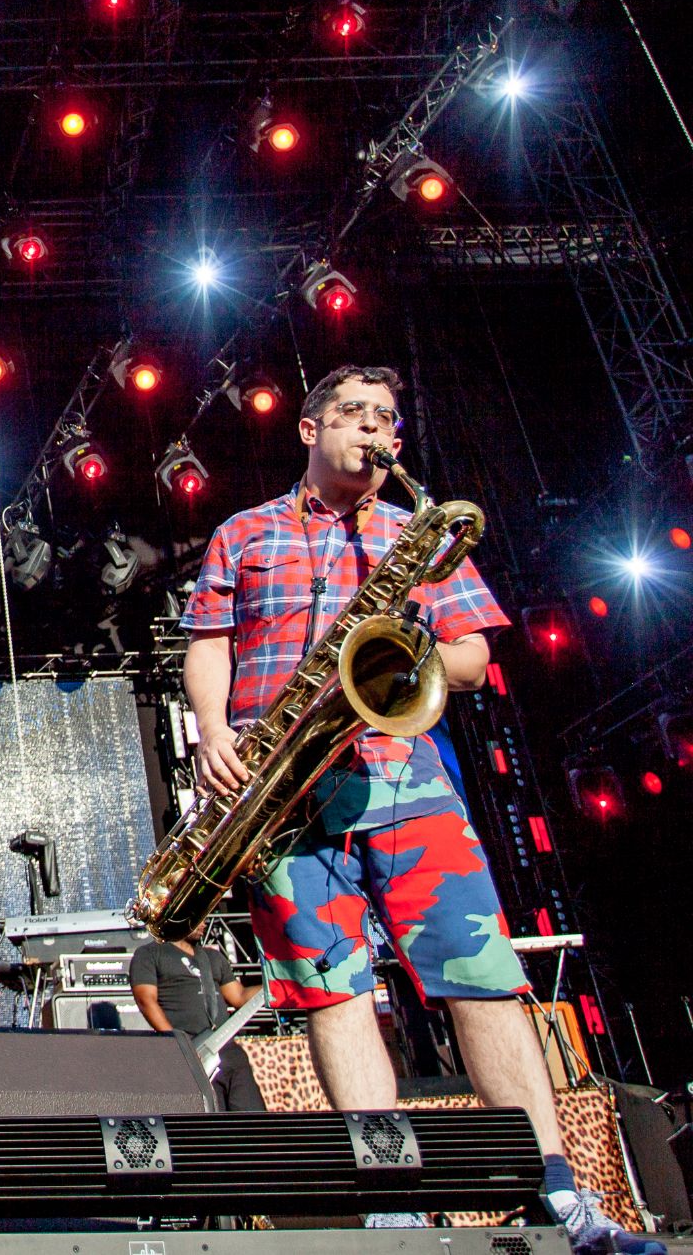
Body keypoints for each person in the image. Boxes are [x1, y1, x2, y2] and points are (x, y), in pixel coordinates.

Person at [180, 364, 658, 1254]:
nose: (373, 430)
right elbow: (208, 645)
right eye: (354, 414)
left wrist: (417, 631)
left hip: (407, 777)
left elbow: (474, 659)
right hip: (285, 790)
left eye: (387, 419)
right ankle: (391, 1198)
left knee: (482, 973)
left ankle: (554, 1194)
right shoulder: (242, 532)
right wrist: (211, 730)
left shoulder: (418, 536)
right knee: (333, 990)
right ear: (309, 429)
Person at [127, 924, 263, 1111]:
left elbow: (238, 996)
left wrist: (277, 983)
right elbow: (146, 1000)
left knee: (252, 1121)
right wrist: (178, 1046)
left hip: (226, 1047)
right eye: (199, 918)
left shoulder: (212, 957)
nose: (204, 923)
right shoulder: (150, 954)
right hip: (192, 1050)